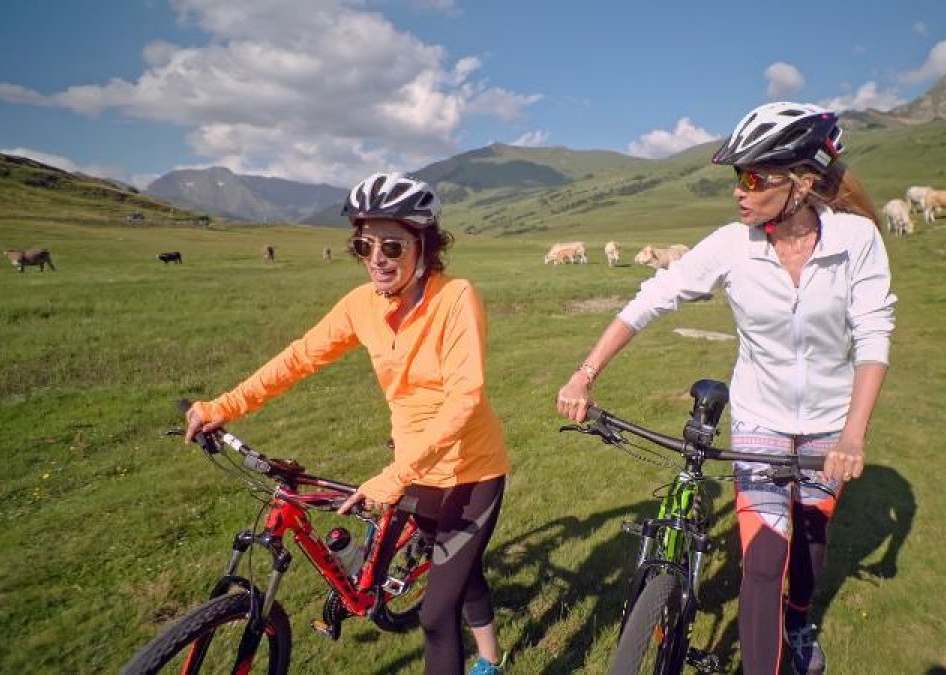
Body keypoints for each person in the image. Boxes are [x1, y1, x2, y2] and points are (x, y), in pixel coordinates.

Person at [556, 102, 896, 675]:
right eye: (737, 176)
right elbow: (651, 299)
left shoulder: (856, 240)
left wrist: (854, 437)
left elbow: (873, 335)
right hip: (760, 418)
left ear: (802, 182)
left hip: (829, 423)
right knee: (762, 562)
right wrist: (584, 373)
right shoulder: (733, 242)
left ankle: (800, 617)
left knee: (810, 544)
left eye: (754, 177)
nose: (740, 191)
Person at [184, 172, 510, 675]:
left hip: (471, 470)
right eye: (364, 244)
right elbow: (299, 358)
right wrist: (223, 405)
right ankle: (491, 653)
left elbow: (465, 397)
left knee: (438, 613)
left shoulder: (455, 297)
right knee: (459, 569)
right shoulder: (362, 305)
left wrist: (396, 476)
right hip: (414, 467)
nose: (376, 258)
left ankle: (487, 660)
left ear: (423, 244)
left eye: (391, 245)